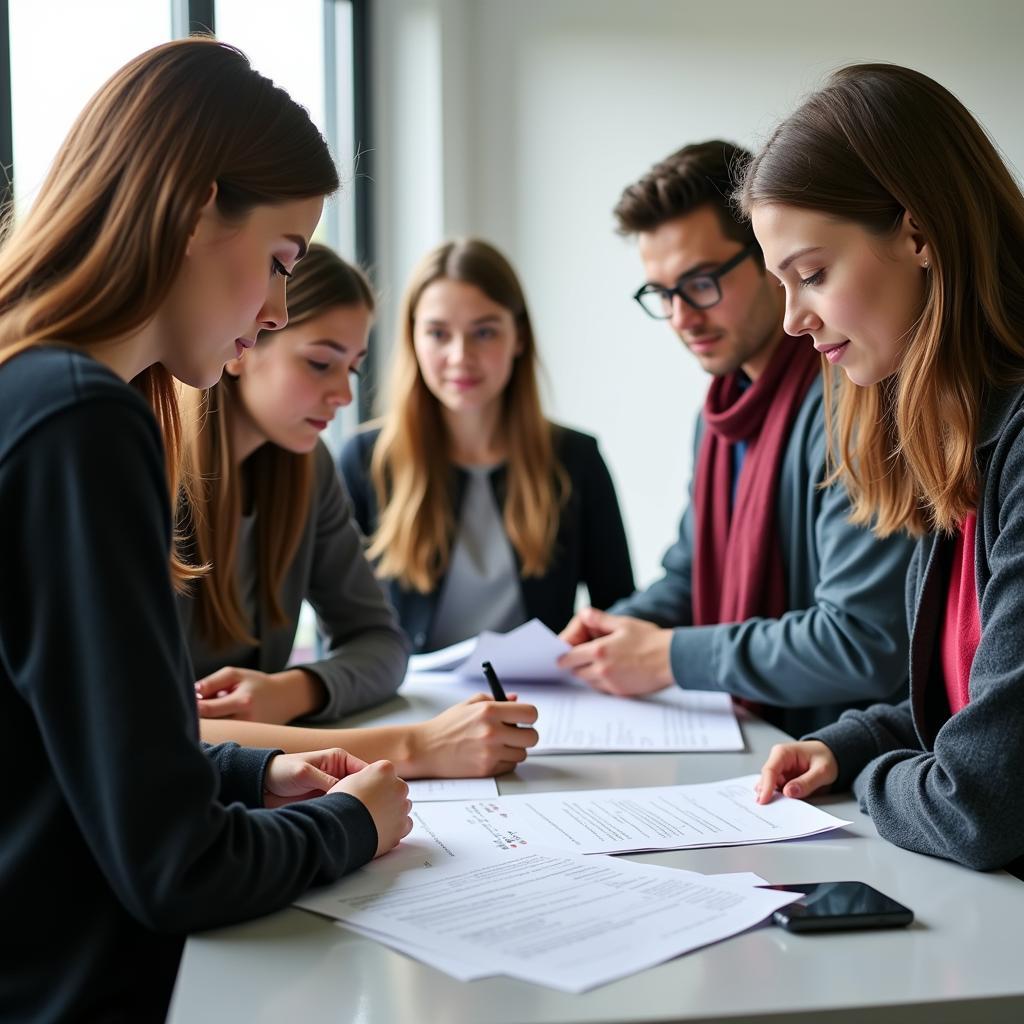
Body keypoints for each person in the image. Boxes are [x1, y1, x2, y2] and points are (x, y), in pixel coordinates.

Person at [0, 40, 411, 1022]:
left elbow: (65, 760)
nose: (273, 310)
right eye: (277, 261)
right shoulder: (78, 424)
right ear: (192, 210)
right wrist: (351, 823)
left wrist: (252, 770)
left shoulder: (39, 393)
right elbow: (178, 867)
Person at [745, 64, 1024, 874]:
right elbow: (975, 701)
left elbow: (980, 802)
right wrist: (848, 743)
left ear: (918, 233)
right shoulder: (959, 433)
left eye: (813, 275)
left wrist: (869, 778)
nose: (795, 320)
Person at [559, 141, 915, 737]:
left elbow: (861, 640)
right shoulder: (722, 413)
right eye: (663, 294)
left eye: (700, 283)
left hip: (847, 759)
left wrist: (668, 657)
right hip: (764, 741)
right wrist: (606, 636)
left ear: (771, 265)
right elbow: (689, 576)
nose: (681, 317)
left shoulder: (855, 402)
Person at [183, 242, 539, 776]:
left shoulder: (307, 469)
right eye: (320, 362)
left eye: (351, 368)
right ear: (243, 345)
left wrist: (295, 688)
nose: (344, 396)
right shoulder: (149, 473)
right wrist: (413, 747)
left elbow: (381, 642)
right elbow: (153, 727)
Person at [339, 237, 634, 654]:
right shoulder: (365, 460)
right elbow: (339, 630)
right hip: (410, 707)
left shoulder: (576, 459)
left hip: (539, 700)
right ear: (413, 341)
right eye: (438, 333)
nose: (461, 356)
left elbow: (617, 610)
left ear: (518, 339)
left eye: (484, 332)